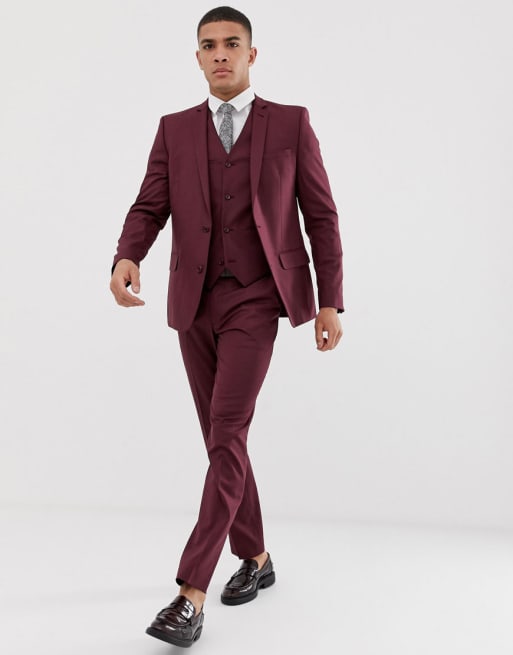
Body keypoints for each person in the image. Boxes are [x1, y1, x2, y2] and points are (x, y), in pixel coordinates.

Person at [110, 5, 344, 648]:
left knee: (228, 430)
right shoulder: (174, 129)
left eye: (231, 44)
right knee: (223, 442)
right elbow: (150, 203)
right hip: (194, 300)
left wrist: (330, 300)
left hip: (258, 298)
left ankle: (190, 593)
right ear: (197, 57)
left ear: (251, 54)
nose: (220, 53)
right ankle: (257, 557)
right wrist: (128, 255)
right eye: (209, 45)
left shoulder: (291, 123)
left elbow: (321, 216)